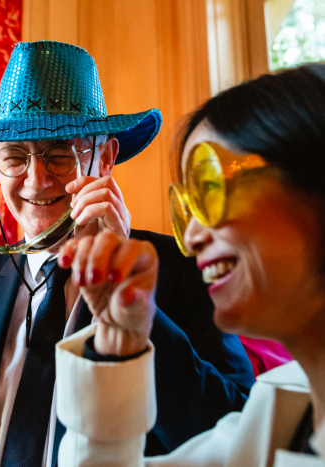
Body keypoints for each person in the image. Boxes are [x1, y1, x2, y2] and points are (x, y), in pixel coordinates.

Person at [0, 40, 254, 467]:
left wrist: (134, 311)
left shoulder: (178, 271)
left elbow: (235, 434)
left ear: (105, 158)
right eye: (13, 156)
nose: (36, 179)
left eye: (59, 154)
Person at [54, 63, 325, 466]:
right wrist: (117, 344)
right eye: (186, 208)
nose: (193, 238)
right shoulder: (274, 418)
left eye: (212, 189)